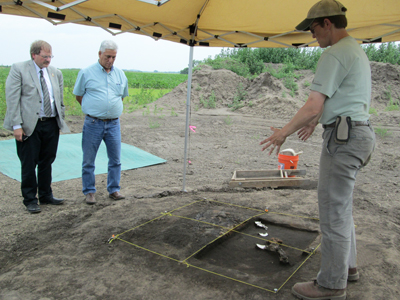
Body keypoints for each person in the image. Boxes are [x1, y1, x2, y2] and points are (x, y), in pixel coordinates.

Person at [260, 0, 375, 299]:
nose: (312, 35)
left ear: (326, 23)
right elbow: (339, 100)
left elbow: (314, 103)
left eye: (312, 28)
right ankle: (347, 268)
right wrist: (317, 121)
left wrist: (282, 133)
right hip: (358, 133)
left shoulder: (334, 54)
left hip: (344, 139)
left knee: (332, 212)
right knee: (342, 206)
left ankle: (331, 285)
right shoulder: (355, 50)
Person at [4, 40, 70, 214]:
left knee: (47, 160)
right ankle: (30, 199)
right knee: (28, 163)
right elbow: (12, 99)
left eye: (50, 56)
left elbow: (59, 99)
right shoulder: (19, 69)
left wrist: (60, 120)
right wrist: (16, 125)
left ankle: (46, 195)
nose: (48, 60)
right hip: (29, 125)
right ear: (34, 54)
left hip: (50, 124)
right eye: (45, 56)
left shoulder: (55, 73)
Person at [73, 40, 129, 205]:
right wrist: (94, 108)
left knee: (115, 159)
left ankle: (114, 189)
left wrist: (111, 108)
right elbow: (79, 96)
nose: (110, 60)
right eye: (107, 56)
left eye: (113, 57)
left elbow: (122, 96)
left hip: (113, 124)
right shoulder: (86, 73)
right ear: (99, 54)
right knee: (89, 160)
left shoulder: (120, 74)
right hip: (93, 123)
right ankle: (89, 191)